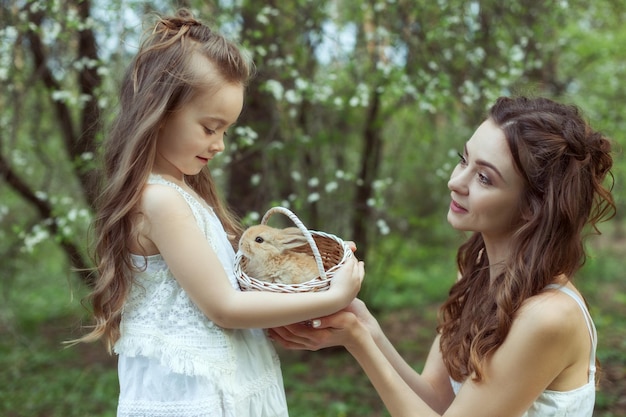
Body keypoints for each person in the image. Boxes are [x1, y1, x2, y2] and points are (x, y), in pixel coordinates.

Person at [73, 9, 364, 417]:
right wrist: (335, 296)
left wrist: (313, 276)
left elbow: (232, 285)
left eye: (225, 131)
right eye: (210, 128)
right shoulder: (161, 201)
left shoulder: (183, 193)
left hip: (231, 382)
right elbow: (224, 307)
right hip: (193, 397)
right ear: (158, 113)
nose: (220, 145)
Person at [270, 96, 616, 417]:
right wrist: (365, 326)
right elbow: (435, 399)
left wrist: (357, 342)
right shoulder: (478, 275)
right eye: (463, 160)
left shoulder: (548, 316)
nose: (456, 182)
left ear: (532, 207)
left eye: (484, 177)